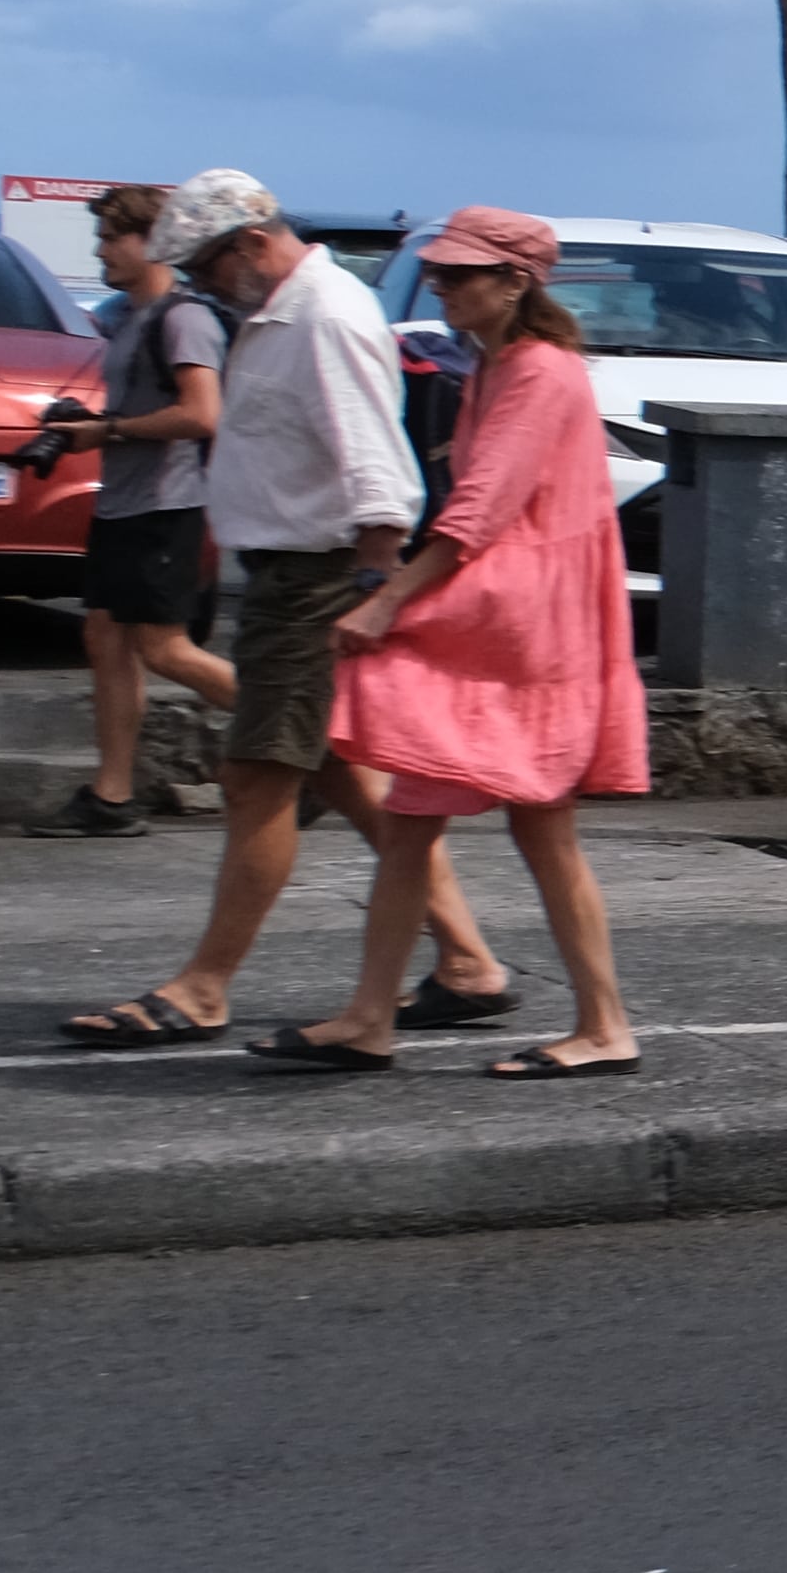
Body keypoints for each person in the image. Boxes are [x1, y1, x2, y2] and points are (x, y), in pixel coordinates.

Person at [60, 176, 515, 1052]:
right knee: (340, 774)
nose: (197, 283)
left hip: (315, 578)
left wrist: (375, 588)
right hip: (289, 574)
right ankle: (466, 962)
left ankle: (202, 988)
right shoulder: (279, 315)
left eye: (201, 264)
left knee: (258, 779)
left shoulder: (323, 318)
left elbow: (379, 468)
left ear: (251, 242)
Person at [282, 208, 648, 1077]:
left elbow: (479, 512)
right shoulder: (497, 366)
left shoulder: (539, 373)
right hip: (509, 620)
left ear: (515, 281)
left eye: (457, 275)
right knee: (427, 820)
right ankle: (374, 1014)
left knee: (536, 826)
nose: (440, 287)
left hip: (518, 629)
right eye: (438, 274)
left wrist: (385, 604)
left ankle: (602, 1026)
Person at [25, 178, 239, 839]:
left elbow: (204, 415)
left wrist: (108, 432)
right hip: (124, 505)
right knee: (105, 640)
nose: (101, 251)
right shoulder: (129, 318)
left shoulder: (185, 318)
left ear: (155, 243)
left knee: (166, 650)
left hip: (167, 508)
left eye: (112, 238)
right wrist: (91, 425)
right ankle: (112, 797)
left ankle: (315, 738)